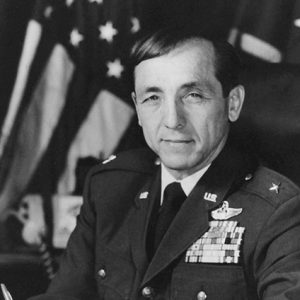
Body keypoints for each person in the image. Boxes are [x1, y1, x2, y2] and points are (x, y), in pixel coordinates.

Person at [29, 27, 300, 300]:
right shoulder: (109, 187)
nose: (172, 120)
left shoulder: (277, 211)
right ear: (137, 108)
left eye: (193, 95)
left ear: (233, 104)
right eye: (153, 98)